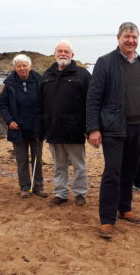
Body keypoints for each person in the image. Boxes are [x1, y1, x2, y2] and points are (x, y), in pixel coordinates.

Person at [86, 22, 140, 239]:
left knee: (130, 172)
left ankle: (125, 208)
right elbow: (93, 98)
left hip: (139, 128)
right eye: (127, 36)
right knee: (112, 174)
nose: (131, 41)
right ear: (118, 37)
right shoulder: (105, 62)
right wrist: (93, 129)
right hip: (113, 128)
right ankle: (107, 220)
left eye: (134, 37)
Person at [37, 40, 91, 206]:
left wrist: (90, 128)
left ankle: (80, 194)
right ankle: (60, 193)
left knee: (79, 166)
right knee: (59, 166)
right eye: (60, 51)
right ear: (54, 54)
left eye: (66, 51)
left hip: (75, 129)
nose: (62, 54)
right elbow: (40, 104)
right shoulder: (46, 75)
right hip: (53, 129)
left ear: (72, 55)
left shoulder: (83, 75)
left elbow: (91, 103)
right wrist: (41, 128)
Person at [0, 54, 48, 199]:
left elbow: (46, 103)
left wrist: (44, 121)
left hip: (36, 127)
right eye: (19, 66)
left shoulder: (40, 81)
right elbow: (3, 105)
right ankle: (25, 187)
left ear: (30, 66)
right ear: (14, 68)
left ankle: (38, 186)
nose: (22, 68)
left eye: (24, 65)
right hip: (17, 128)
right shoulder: (9, 84)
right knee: (22, 159)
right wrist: (9, 121)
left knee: (37, 158)